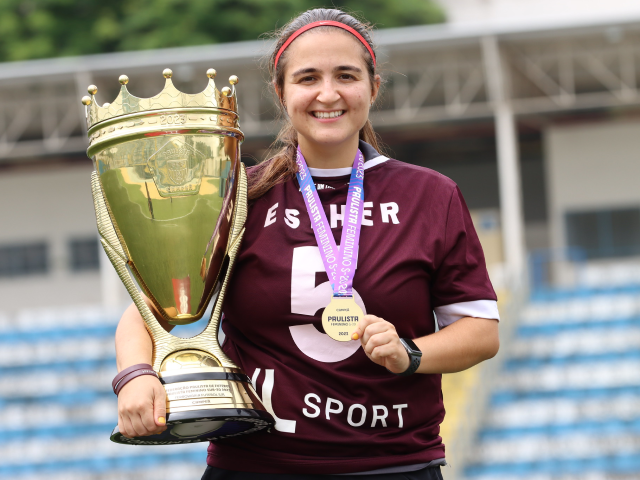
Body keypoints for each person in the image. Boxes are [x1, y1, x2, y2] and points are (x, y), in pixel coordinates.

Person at [114, 8, 500, 480]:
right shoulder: (237, 196)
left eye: (346, 75)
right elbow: (145, 310)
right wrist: (135, 375)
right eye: (308, 78)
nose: (328, 93)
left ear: (373, 87)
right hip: (256, 466)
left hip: (395, 465)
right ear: (281, 92)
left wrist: (410, 354)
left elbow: (480, 331)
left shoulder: (431, 195)